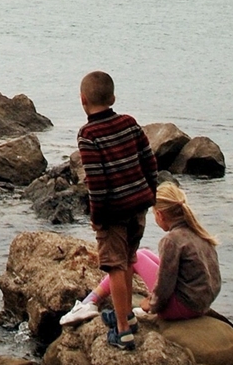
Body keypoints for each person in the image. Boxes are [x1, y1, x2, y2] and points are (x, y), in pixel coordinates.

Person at [60, 182, 221, 326]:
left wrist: (152, 305)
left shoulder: (172, 240)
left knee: (136, 257)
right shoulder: (198, 233)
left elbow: (166, 282)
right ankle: (90, 302)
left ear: (160, 215)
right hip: (201, 304)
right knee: (143, 253)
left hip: (183, 308)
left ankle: (91, 301)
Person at [76, 71, 158, 350]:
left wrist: (97, 217)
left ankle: (122, 330)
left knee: (115, 265)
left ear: (82, 99)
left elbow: (96, 182)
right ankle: (126, 317)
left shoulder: (88, 135)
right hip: (138, 206)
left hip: (112, 213)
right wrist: (150, 194)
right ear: (112, 98)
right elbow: (150, 162)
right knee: (128, 258)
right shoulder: (129, 123)